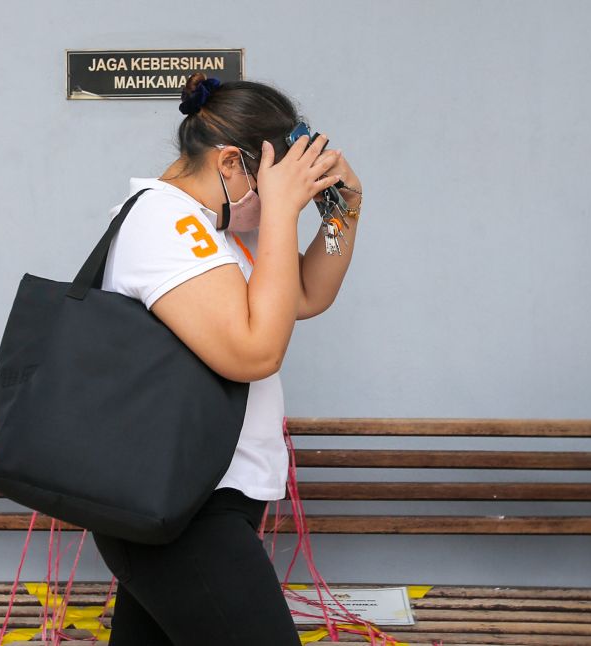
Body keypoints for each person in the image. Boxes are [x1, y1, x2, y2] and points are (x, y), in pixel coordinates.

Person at [90, 72, 362, 645]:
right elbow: (255, 351)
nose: (268, 212)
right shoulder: (167, 222)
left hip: (206, 496)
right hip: (188, 507)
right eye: (270, 190)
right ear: (232, 163)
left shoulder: (211, 232)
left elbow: (304, 296)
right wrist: (285, 213)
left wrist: (342, 216)